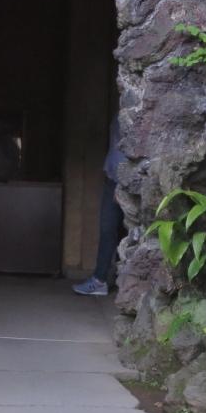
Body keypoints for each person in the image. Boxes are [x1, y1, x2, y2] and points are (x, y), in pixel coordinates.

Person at [74, 113, 124, 297]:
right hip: (114, 177)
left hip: (121, 180)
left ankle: (101, 279)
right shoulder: (122, 112)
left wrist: (121, 184)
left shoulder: (135, 113)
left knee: (109, 229)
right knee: (114, 230)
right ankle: (114, 279)